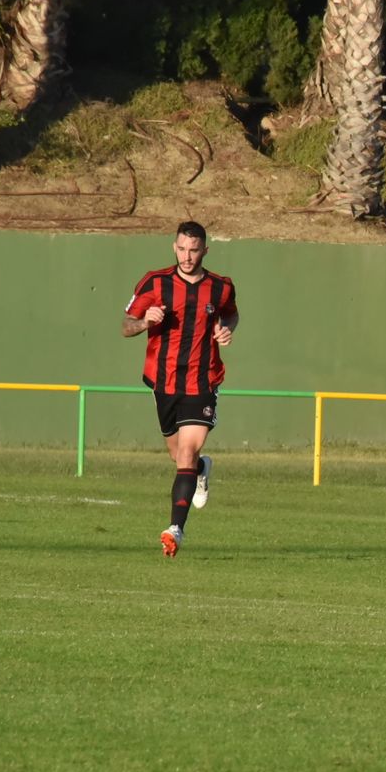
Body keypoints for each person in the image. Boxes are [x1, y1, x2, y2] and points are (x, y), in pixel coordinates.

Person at [120, 220, 238, 558]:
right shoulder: (155, 282)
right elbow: (126, 326)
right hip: (164, 381)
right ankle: (202, 470)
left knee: (186, 452)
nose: (188, 256)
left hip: (203, 381)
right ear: (175, 247)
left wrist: (226, 330)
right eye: (182, 249)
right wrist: (145, 321)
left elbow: (231, 315)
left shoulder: (221, 287)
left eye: (194, 250)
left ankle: (176, 529)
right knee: (178, 457)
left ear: (205, 251)